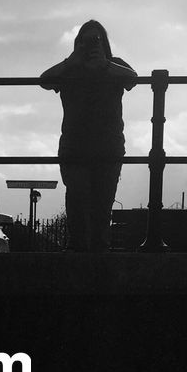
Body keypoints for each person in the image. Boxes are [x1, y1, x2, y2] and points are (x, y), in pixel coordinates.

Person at [39, 21, 138, 252]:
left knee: (102, 206)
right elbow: (44, 80)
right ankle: (78, 252)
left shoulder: (114, 66)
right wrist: (70, 62)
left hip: (107, 147)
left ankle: (97, 256)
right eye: (86, 40)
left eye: (96, 40)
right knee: (77, 200)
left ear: (104, 42)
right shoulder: (70, 69)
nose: (91, 44)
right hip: (75, 147)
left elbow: (133, 78)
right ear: (77, 44)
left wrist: (105, 65)